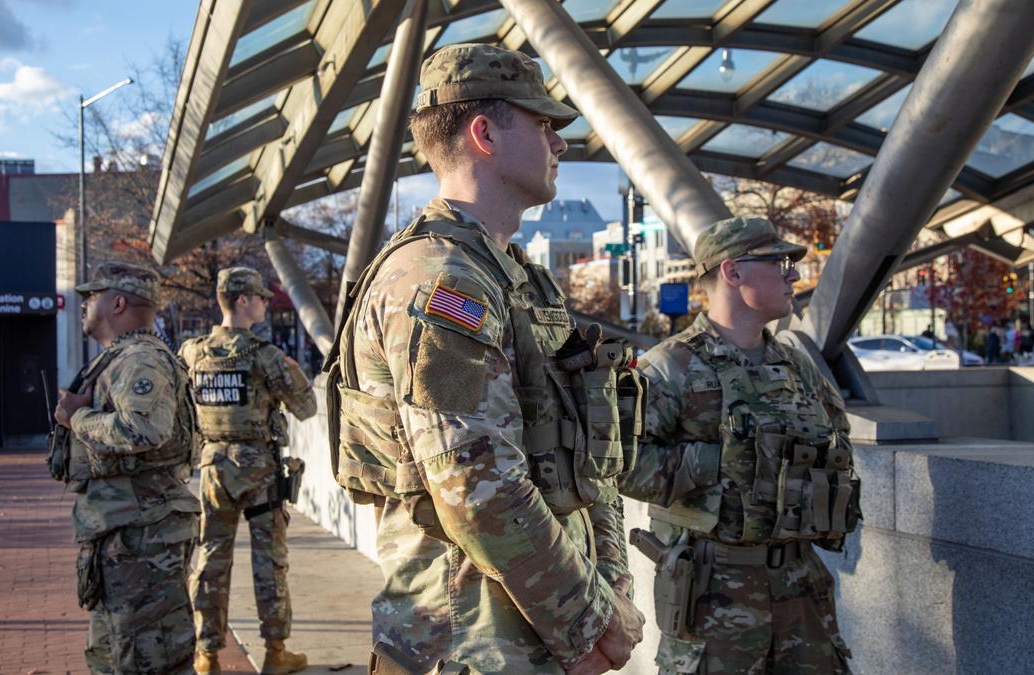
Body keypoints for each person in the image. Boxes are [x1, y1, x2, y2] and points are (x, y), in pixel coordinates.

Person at [325, 43, 645, 674]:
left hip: (538, 636)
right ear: (484, 133)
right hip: (467, 645)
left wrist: (609, 598)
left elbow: (591, 461)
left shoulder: (521, 281)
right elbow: (474, 486)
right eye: (543, 125)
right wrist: (589, 624)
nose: (559, 143)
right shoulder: (440, 281)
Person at [618, 217, 861, 674]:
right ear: (732, 272)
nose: (793, 275)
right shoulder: (670, 367)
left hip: (801, 586)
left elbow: (835, 445)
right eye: (779, 262)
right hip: (715, 595)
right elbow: (619, 463)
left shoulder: (797, 366)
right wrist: (716, 463)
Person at [53, 261, 200, 674]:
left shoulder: (139, 359)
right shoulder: (120, 358)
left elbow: (145, 429)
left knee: (150, 660)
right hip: (124, 532)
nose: (83, 305)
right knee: (114, 657)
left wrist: (76, 420)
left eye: (91, 296)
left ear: (118, 303)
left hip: (144, 535)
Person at [179, 267, 317, 675]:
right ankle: (276, 651)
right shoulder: (263, 355)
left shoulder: (193, 352)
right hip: (258, 471)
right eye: (259, 295)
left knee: (210, 559)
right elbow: (306, 406)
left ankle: (206, 655)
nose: (265, 301)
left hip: (213, 468)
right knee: (269, 560)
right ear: (242, 300)